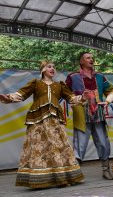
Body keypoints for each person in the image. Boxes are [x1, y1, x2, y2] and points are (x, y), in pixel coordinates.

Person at [0, 61, 85, 189]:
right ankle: (39, 179)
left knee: (58, 147)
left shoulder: (60, 85)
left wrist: (83, 97)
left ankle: (62, 177)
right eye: (49, 66)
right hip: (38, 120)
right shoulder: (36, 83)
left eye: (54, 67)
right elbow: (21, 94)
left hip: (55, 121)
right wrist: (8, 97)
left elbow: (72, 98)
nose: (52, 69)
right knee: (39, 148)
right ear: (43, 70)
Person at [65, 52, 113, 180]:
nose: (91, 59)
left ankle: (106, 170)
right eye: (88, 58)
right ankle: (75, 173)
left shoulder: (100, 76)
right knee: (80, 144)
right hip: (82, 113)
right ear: (81, 61)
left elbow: (112, 92)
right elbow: (65, 93)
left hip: (98, 113)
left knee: (103, 142)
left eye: (92, 58)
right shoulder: (72, 77)